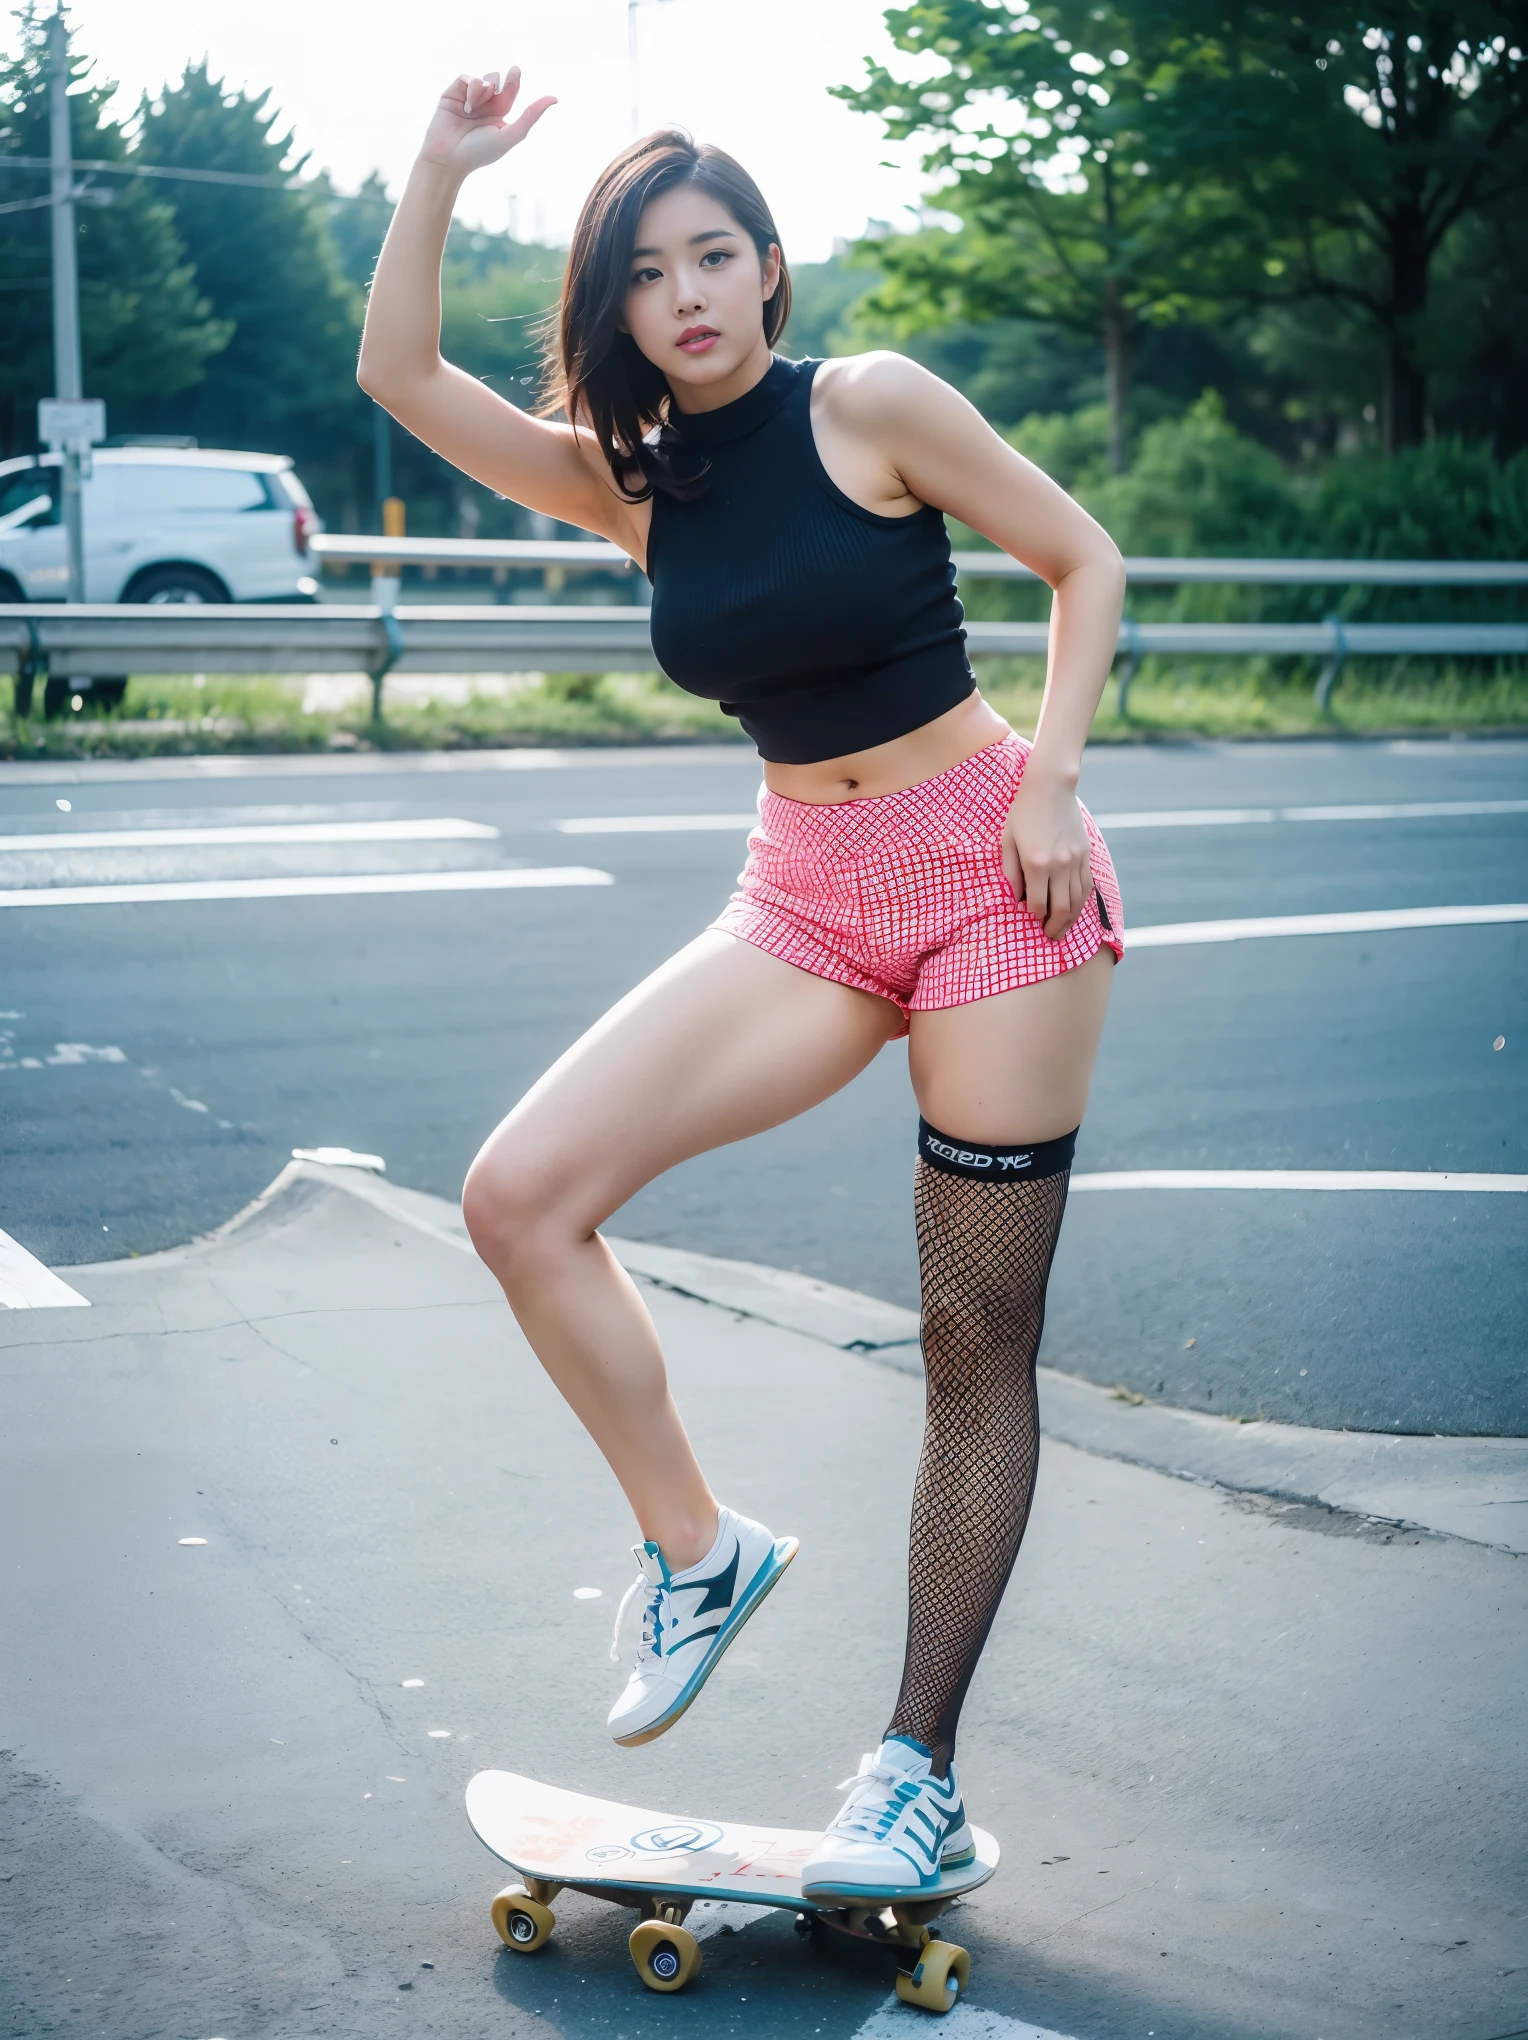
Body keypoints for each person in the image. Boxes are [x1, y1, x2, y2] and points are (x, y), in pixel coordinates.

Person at [358, 65, 1125, 1907]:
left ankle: (912, 1769)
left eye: (716, 257)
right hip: (803, 891)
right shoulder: (640, 486)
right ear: (616, 305)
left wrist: (1051, 783)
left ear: (770, 274)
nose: (687, 293)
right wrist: (438, 173)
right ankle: (698, 1552)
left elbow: (1083, 558)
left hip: (996, 878)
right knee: (519, 1198)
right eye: (647, 271)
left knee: (970, 1345)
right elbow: (400, 379)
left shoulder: (866, 405)